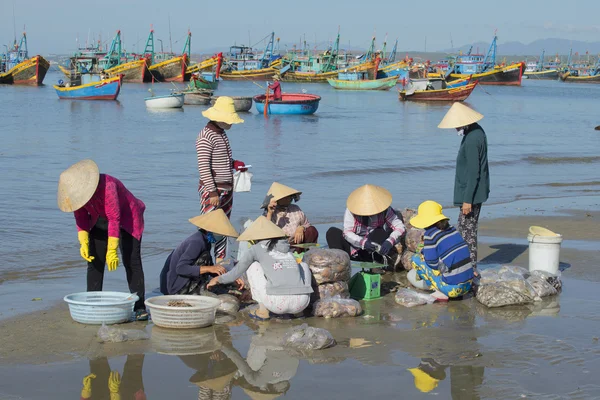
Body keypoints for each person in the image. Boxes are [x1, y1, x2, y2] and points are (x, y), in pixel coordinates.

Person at [57, 159, 148, 321]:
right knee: (94, 261)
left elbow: (115, 218)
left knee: (131, 261)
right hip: (100, 218)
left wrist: (112, 250)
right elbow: (81, 216)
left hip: (128, 217)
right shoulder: (77, 195)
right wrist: (83, 241)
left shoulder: (108, 186)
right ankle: (92, 304)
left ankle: (140, 306)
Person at [207, 216, 313, 321]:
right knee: (303, 265)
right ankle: (299, 313)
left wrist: (217, 279)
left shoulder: (256, 249)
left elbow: (235, 273)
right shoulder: (286, 247)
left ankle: (263, 311)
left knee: (253, 266)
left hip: (277, 304)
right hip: (302, 302)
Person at [438, 103, 490, 270]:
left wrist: (467, 201)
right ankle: (469, 266)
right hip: (474, 191)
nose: (455, 129)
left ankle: (469, 268)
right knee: (467, 230)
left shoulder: (471, 140)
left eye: (456, 125)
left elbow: (474, 172)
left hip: (471, 195)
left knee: (466, 233)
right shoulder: (476, 131)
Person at [197, 96, 247, 262]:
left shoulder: (221, 134)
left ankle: (220, 261)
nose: (232, 123)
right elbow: (204, 167)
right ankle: (203, 260)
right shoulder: (206, 136)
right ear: (220, 118)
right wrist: (212, 193)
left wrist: (235, 164)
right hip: (214, 191)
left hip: (226, 190)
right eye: (230, 120)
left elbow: (221, 160)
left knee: (223, 228)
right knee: (210, 227)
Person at [159, 209, 242, 295]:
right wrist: (210, 268)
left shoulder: (205, 241)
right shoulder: (197, 242)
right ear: (209, 230)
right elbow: (181, 268)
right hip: (174, 287)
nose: (222, 236)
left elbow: (211, 270)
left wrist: (229, 277)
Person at [326, 184, 405, 272]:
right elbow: (347, 232)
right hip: (355, 248)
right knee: (332, 232)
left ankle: (376, 264)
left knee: (379, 232)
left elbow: (400, 227)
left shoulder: (386, 210)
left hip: (374, 249)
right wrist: (362, 242)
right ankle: (339, 265)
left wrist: (390, 241)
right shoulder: (351, 211)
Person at [409, 200, 475, 300]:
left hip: (451, 289)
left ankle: (438, 291)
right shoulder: (452, 229)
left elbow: (431, 263)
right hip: (468, 284)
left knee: (415, 259)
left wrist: (424, 255)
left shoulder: (430, 234)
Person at [262, 182, 318, 251]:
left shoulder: (295, 208)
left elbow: (307, 224)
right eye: (286, 197)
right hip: (281, 245)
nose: (290, 198)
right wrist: (270, 213)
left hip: (298, 241)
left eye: (290, 196)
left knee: (312, 230)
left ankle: (306, 251)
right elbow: (266, 232)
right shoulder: (269, 212)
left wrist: (301, 228)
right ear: (278, 199)